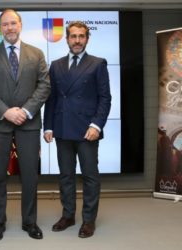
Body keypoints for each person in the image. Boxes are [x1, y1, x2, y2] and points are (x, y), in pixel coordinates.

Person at [0, 9, 50, 241]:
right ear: (0, 28)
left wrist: (26, 111)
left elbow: (44, 86)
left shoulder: (36, 53)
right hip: (0, 123)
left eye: (13, 23)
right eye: (5, 24)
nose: (9, 28)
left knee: (30, 175)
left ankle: (30, 222)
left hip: (28, 123)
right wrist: (6, 112)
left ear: (20, 25)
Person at [43, 21, 111, 238]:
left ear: (87, 39)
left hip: (87, 131)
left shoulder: (98, 63)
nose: (77, 40)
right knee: (65, 176)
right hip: (62, 129)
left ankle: (89, 220)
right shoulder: (56, 65)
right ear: (67, 39)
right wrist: (48, 126)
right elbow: (51, 99)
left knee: (90, 176)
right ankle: (69, 215)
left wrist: (96, 125)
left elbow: (105, 98)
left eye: (82, 36)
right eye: (73, 36)